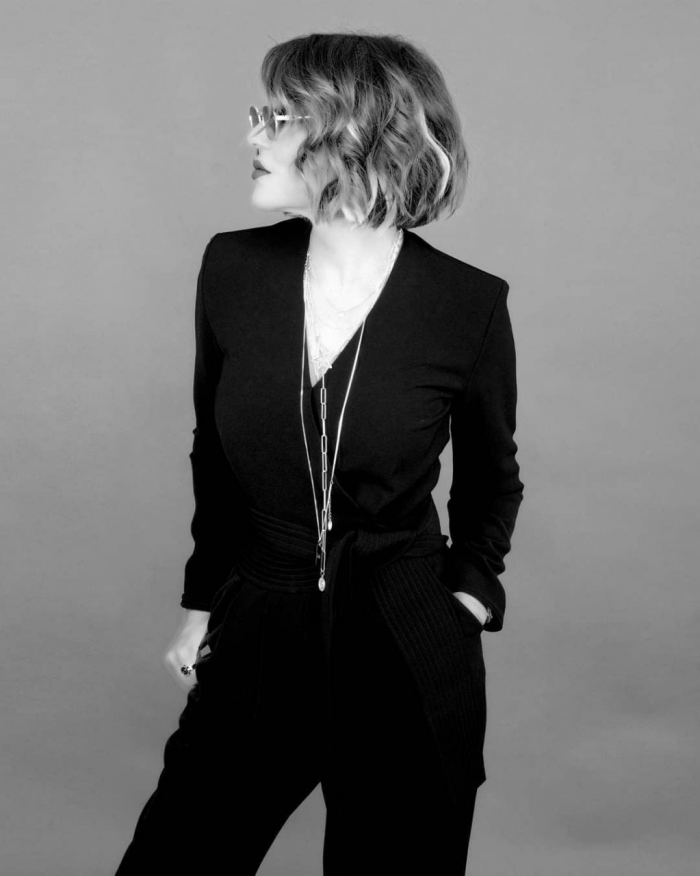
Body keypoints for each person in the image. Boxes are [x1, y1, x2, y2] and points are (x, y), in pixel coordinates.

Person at [114, 31, 524, 876]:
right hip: (261, 624)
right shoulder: (233, 269)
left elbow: (492, 479)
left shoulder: (468, 305)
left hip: (405, 641)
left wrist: (468, 597)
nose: (252, 136)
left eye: (277, 117)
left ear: (352, 132)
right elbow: (212, 455)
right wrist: (203, 604)